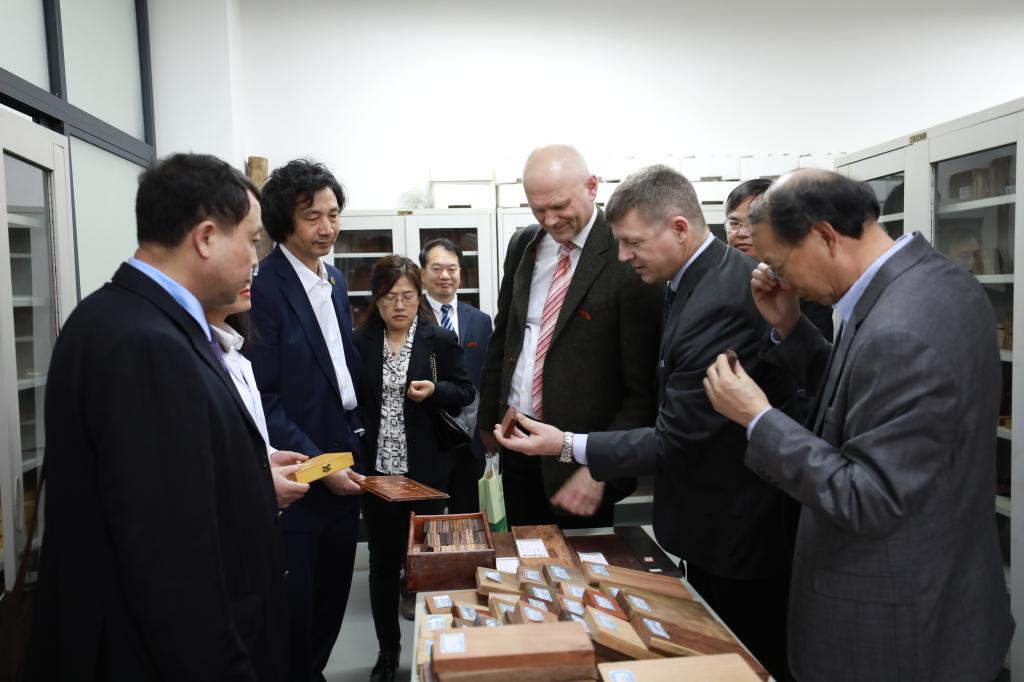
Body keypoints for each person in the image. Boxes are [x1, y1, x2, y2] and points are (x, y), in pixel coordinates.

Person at [703, 169, 1013, 681]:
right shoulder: (928, 280)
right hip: (944, 593)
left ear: (825, 236)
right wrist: (791, 327)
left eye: (780, 264)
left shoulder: (900, 329)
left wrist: (758, 417)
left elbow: (868, 496)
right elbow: (868, 399)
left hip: (895, 632)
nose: (782, 279)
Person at [494, 165, 798, 680]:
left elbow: (675, 436)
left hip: (736, 527)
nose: (623, 256)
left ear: (679, 228)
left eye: (633, 243)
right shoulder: (696, 278)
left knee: (746, 659)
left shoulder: (719, 300)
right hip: (713, 519)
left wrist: (567, 446)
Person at [26, 153, 288, 681]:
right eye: (252, 240)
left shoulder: (120, 315)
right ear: (206, 238)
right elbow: (171, 559)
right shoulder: (147, 344)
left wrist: (250, 471)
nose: (255, 260)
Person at [478, 145, 662, 529]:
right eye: (538, 209)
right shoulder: (525, 244)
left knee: (580, 563)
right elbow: (506, 335)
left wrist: (601, 468)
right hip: (517, 439)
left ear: (592, 187)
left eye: (560, 206)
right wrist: (488, 424)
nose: (550, 220)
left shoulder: (627, 254)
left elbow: (642, 389)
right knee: (521, 556)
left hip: (579, 459)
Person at [249, 159, 366, 682]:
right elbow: (265, 397)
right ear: (283, 222)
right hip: (297, 467)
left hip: (344, 453)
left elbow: (340, 369)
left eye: (334, 214)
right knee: (297, 606)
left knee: (333, 596)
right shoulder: (264, 287)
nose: (327, 228)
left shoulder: (334, 280)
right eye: (312, 217)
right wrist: (322, 465)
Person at [353, 256, 475, 682]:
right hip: (379, 476)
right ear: (376, 300)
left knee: (429, 564)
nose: (400, 306)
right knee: (384, 566)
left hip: (426, 472)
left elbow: (465, 390)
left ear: (418, 296)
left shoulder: (437, 338)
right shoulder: (360, 342)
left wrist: (435, 390)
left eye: (407, 296)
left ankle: (436, 648)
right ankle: (388, 652)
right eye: (390, 298)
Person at [206, 282, 324, 510]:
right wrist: (259, 485)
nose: (250, 270)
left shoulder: (233, 349)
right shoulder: (190, 351)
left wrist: (268, 456)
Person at [419, 237, 493, 512]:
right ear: (422, 274)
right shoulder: (411, 316)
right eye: (437, 268)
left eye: (452, 269)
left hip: (470, 439)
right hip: (429, 436)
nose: (445, 276)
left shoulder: (480, 320)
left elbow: (488, 377)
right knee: (429, 516)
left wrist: (489, 427)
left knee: (469, 514)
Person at [726, 178, 834, 341]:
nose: (741, 233)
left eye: (753, 222)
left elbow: (818, 352)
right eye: (734, 223)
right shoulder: (720, 278)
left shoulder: (805, 287)